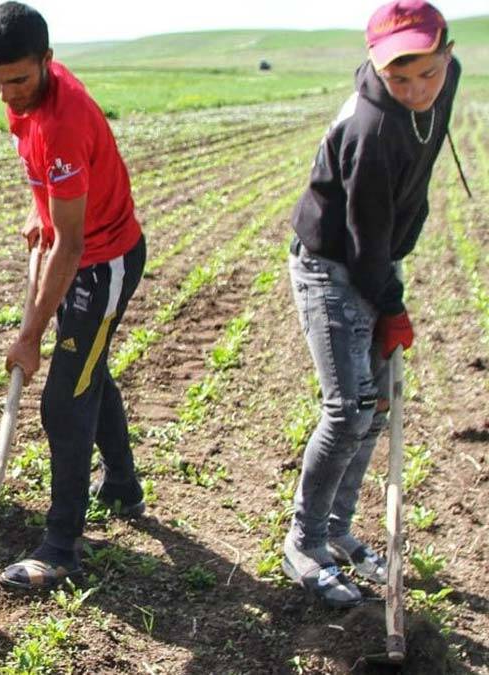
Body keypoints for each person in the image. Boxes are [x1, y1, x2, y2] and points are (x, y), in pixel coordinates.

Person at [282, 0, 459, 608]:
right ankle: (303, 543)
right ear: (376, 67)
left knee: (377, 406)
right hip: (331, 265)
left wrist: (391, 278)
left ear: (448, 53)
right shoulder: (370, 129)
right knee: (348, 408)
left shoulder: (445, 82)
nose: (416, 90)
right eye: (398, 78)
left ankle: (336, 531)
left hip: (377, 255)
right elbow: (360, 245)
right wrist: (391, 305)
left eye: (428, 73)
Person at [0, 2, 147, 590]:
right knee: (86, 371)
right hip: (82, 250)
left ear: (47, 62)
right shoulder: (25, 96)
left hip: (103, 264)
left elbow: (70, 249)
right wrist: (38, 206)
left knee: (63, 400)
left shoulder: (63, 119)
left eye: (18, 80)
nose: (7, 96)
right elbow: (46, 179)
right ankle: (123, 487)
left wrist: (28, 337)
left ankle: (61, 548)